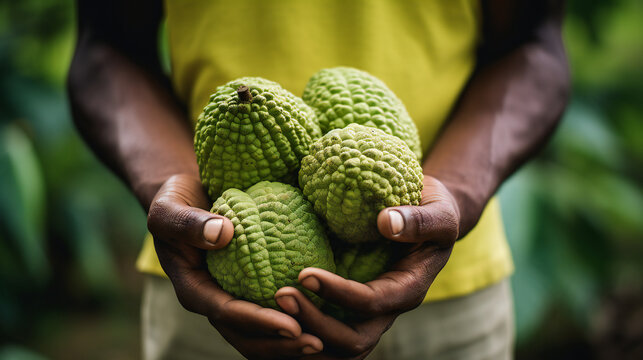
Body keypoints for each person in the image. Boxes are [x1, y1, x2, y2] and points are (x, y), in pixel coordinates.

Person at [67, 0, 569, 359]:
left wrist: (456, 191)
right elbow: (107, 45)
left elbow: (533, 43)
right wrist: (165, 183)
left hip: (452, 288)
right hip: (211, 278)